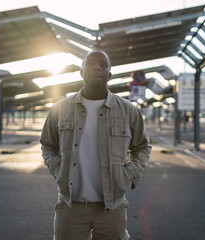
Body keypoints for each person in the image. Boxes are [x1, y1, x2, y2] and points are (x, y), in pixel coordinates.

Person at [40, 49, 151, 240]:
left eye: (103, 64)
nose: (97, 67)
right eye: (91, 63)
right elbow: (48, 145)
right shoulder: (60, 108)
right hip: (70, 207)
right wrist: (59, 169)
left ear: (109, 74)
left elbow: (142, 147)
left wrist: (128, 174)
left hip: (112, 208)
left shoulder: (128, 111)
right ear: (81, 72)